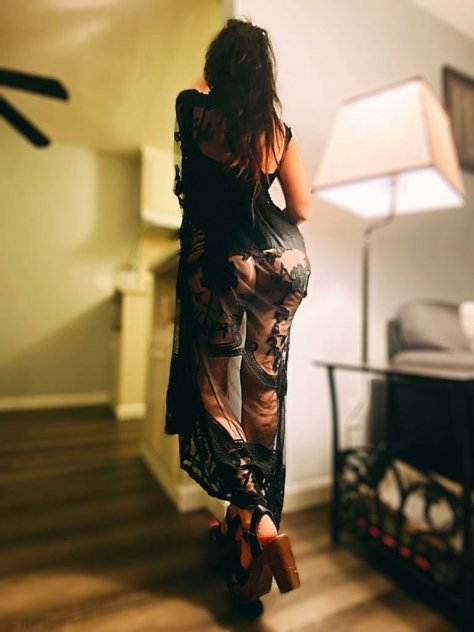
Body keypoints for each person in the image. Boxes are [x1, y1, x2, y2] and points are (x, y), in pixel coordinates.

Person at [165, 17, 312, 603]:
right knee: (261, 387)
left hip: (224, 261)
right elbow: (301, 208)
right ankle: (243, 522)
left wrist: (214, 77)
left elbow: (198, 104)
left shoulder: (194, 109)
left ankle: (255, 519)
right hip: (285, 261)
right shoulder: (277, 130)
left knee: (215, 392)